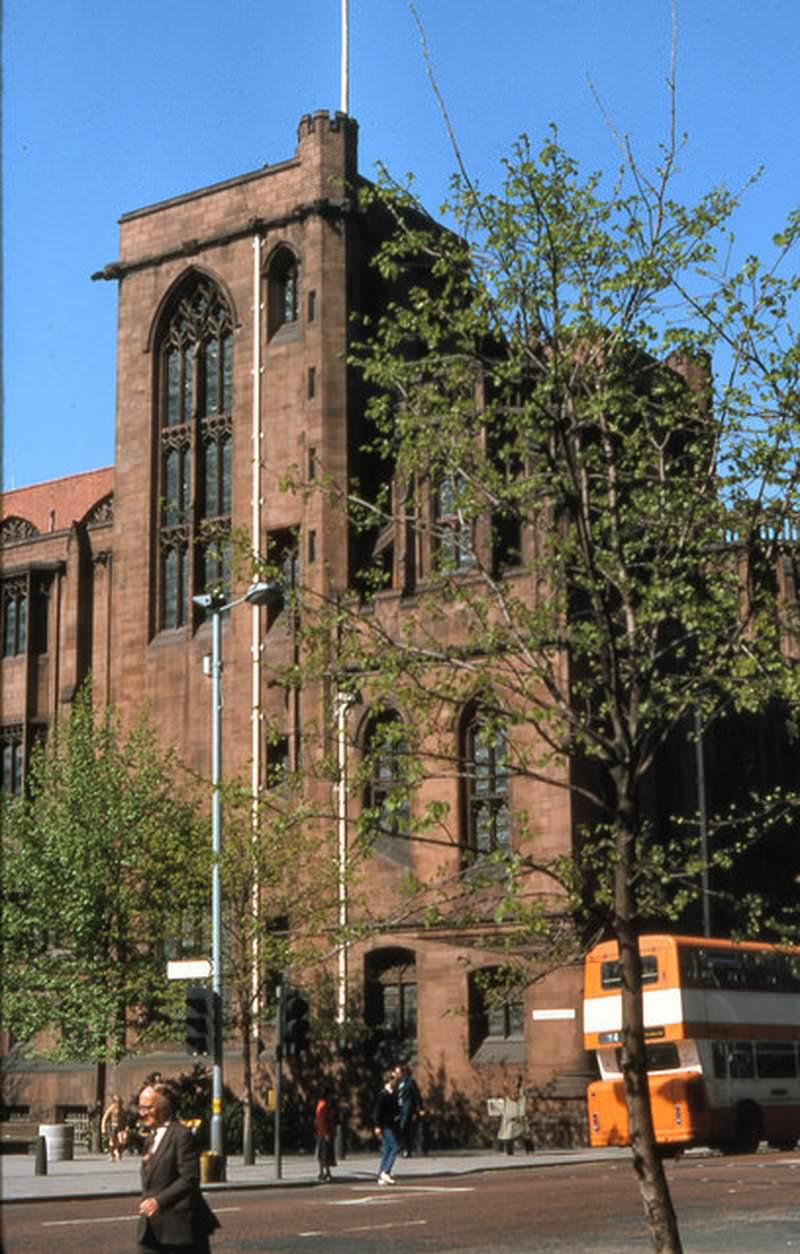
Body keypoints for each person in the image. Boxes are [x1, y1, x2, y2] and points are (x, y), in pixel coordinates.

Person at [135, 1084, 220, 1254]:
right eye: (140, 1107)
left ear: (163, 1108)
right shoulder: (150, 1137)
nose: (142, 1113)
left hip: (180, 1229)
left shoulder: (181, 1135)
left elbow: (189, 1178)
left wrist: (158, 1201)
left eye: (148, 1107)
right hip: (152, 1228)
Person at [373, 1069, 399, 1185]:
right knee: (395, 1147)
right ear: (389, 1080)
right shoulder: (383, 1094)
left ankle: (381, 1175)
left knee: (387, 1149)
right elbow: (378, 1111)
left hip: (390, 1124)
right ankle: (386, 1171)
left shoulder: (392, 1093)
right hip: (385, 1125)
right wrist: (377, 1126)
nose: (396, 1081)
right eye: (394, 1078)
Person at [393, 1063, 425, 1158]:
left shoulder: (410, 1082)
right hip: (399, 1108)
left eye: (397, 1072)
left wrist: (420, 1108)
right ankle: (405, 1148)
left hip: (407, 1107)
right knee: (401, 1128)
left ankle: (406, 1148)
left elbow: (417, 1096)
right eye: (395, 1072)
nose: (396, 1074)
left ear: (402, 1072)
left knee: (403, 1126)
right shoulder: (397, 1083)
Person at [497, 1075, 526, 1156]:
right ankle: (506, 1150)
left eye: (518, 1081)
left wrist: (506, 1090)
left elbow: (514, 1097)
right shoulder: (513, 1090)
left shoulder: (520, 1091)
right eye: (515, 1081)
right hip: (508, 1113)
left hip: (515, 1114)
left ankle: (527, 1149)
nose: (516, 1082)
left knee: (512, 1133)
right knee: (506, 1132)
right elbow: (508, 1098)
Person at [314, 1089, 336, 1182]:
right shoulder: (324, 1106)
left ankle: (325, 1172)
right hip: (324, 1133)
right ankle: (324, 1173)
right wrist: (326, 1133)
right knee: (325, 1154)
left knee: (323, 1154)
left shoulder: (320, 1105)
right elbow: (323, 1121)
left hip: (321, 1133)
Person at [101, 1092, 128, 1162]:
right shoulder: (111, 1108)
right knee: (112, 1141)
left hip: (120, 1127)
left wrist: (125, 1127)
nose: (118, 1104)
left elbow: (124, 1119)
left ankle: (117, 1151)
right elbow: (105, 1118)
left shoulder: (122, 1109)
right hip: (113, 1126)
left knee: (122, 1140)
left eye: (120, 1102)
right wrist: (103, 1128)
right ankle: (111, 1154)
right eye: (117, 1102)